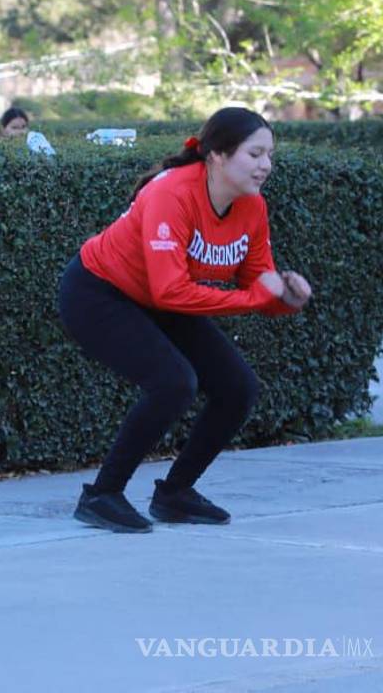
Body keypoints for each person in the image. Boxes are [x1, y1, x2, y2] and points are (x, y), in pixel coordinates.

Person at [57, 107, 312, 534]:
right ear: (217, 155)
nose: (266, 165)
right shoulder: (172, 193)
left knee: (237, 388)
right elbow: (170, 291)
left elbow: (258, 285)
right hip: (98, 292)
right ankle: (101, 495)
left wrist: (286, 299)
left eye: (270, 155)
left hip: (159, 296)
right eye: (254, 154)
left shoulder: (252, 206)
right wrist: (257, 296)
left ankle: (175, 494)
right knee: (173, 382)